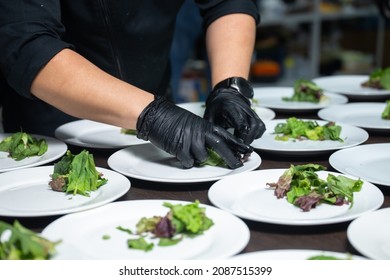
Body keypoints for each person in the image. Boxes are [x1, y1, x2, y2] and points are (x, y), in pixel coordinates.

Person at [0, 0, 266, 169]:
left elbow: (226, 3)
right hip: (53, 132)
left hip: (159, 134)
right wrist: (155, 116)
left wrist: (230, 86)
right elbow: (26, 42)